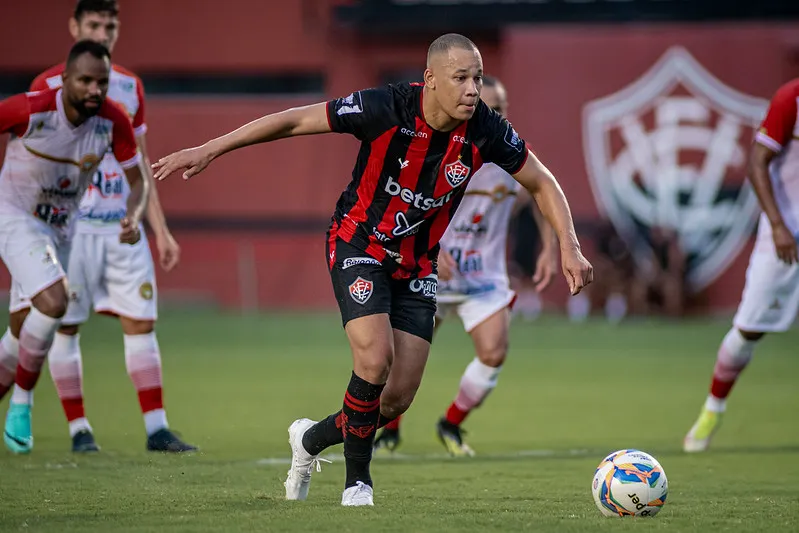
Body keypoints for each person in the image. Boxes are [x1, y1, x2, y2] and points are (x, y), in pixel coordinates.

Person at [153, 33, 593, 506]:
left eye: (478, 78)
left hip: (418, 264)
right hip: (359, 244)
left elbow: (542, 182)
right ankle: (357, 482)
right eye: (461, 78)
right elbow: (295, 120)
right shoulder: (385, 107)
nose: (472, 90)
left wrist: (569, 244)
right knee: (374, 360)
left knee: (397, 398)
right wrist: (210, 149)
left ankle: (309, 441)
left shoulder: (485, 128)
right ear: (430, 79)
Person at [5, 0, 194, 453]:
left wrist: (156, 226)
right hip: (43, 221)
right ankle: (69, 425)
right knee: (57, 318)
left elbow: (140, 168)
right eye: (94, 24)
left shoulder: (124, 97)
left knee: (134, 322)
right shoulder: (40, 94)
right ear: (74, 28)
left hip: (101, 224)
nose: (103, 32)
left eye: (110, 25)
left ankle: (155, 428)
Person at [371, 76, 558, 456]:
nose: (499, 114)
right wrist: (431, 247)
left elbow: (541, 192)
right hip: (433, 270)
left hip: (485, 277)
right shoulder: (449, 153)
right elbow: (409, 203)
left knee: (494, 353)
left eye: (503, 107)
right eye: (491, 107)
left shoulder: (514, 157)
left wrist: (549, 248)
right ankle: (388, 431)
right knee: (404, 360)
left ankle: (450, 425)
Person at [0, 40, 148, 454]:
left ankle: (14, 396)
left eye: (101, 82)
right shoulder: (31, 109)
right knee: (53, 302)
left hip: (61, 231)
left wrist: (133, 216)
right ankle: (23, 403)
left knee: (18, 334)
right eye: (84, 80)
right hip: (15, 218)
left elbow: (138, 182)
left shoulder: (113, 121)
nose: (94, 90)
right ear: (65, 80)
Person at [683, 78, 799, 453]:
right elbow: (756, 163)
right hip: (787, 235)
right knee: (748, 330)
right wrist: (779, 226)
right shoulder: (790, 98)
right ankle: (712, 409)